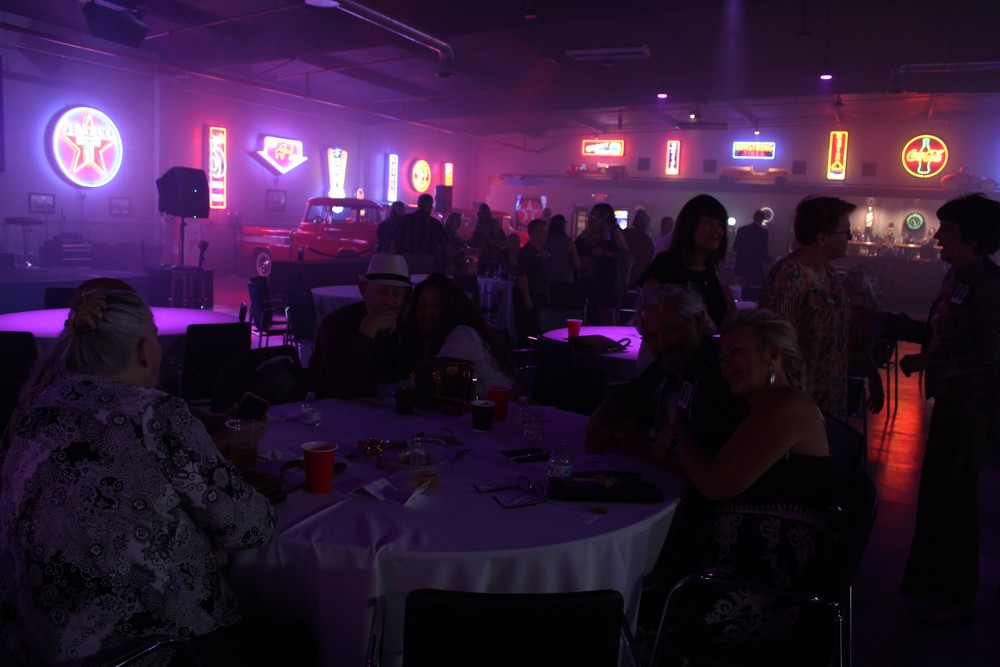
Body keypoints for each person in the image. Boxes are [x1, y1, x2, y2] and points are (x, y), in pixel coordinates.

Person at [0, 285, 303, 664]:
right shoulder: (153, 415)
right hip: (147, 650)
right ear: (145, 349)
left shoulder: (37, 407)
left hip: (32, 646)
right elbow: (250, 528)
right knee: (298, 639)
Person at [664, 308, 833, 645]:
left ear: (772, 354)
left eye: (736, 351)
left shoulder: (787, 407)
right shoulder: (761, 411)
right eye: (722, 356)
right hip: (740, 569)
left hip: (770, 589)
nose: (725, 364)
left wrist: (679, 434)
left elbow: (714, 484)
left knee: (636, 602)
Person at [881, 194, 1000, 627]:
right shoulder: (957, 276)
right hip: (951, 403)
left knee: (954, 498)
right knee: (939, 494)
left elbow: (990, 354)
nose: (937, 238)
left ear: (975, 237)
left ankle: (954, 596)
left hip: (972, 408)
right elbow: (940, 333)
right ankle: (932, 587)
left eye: (947, 230)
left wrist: (930, 363)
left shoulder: (989, 284)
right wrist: (889, 321)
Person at [759, 195, 883, 419]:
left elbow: (844, 332)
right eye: (845, 232)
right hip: (798, 400)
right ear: (822, 237)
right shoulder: (789, 276)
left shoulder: (831, 275)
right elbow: (777, 344)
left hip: (830, 393)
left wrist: (871, 372)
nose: (850, 238)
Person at [308, 253, 419, 398]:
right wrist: (367, 332)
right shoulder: (335, 324)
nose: (388, 299)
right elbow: (339, 387)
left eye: (397, 293)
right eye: (381, 291)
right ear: (363, 289)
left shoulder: (406, 326)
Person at [638, 194, 735, 331]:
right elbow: (645, 317)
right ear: (689, 226)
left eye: (720, 224)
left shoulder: (710, 270)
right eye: (708, 222)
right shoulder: (666, 264)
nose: (716, 230)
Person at [409, 273, 516, 390]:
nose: (426, 312)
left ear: (451, 307)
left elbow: (428, 384)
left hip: (496, 401)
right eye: (421, 305)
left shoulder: (463, 336)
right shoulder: (439, 336)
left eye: (435, 305)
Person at [588, 202, 632, 325]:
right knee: (603, 312)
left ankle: (612, 336)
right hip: (604, 278)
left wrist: (604, 253)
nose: (593, 218)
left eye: (596, 215)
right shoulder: (602, 232)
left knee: (609, 312)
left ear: (605, 215)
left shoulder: (614, 231)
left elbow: (626, 255)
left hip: (613, 279)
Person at [391, 193, 454, 274]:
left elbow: (395, 241)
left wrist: (394, 260)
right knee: (425, 281)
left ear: (418, 205)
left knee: (408, 280)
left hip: (408, 259)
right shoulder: (434, 223)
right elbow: (446, 244)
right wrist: (452, 265)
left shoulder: (406, 219)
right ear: (430, 206)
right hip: (427, 260)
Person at [513, 218, 552, 342]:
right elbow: (522, 276)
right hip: (531, 295)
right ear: (534, 233)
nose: (546, 235)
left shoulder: (542, 252)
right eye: (543, 232)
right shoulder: (526, 252)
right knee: (528, 329)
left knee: (538, 328)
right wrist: (527, 298)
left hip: (540, 294)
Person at [732, 208, 772, 289]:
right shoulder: (763, 232)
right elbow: (763, 251)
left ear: (753, 218)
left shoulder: (742, 230)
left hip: (742, 265)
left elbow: (735, 247)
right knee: (754, 289)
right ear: (762, 220)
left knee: (740, 289)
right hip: (755, 266)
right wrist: (769, 261)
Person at [622, 208, 656, 289]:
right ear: (646, 224)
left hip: (622, 271)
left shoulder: (625, 233)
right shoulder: (645, 239)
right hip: (637, 274)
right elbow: (648, 259)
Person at [544, 213, 580, 285]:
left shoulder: (545, 240)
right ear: (563, 225)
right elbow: (576, 263)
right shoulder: (568, 242)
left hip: (546, 279)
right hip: (565, 279)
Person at [470, 203, 506, 276]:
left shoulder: (494, 224)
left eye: (484, 213)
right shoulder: (479, 225)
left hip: (493, 256)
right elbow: (474, 240)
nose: (483, 216)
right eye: (481, 213)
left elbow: (502, 240)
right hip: (482, 257)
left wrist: (494, 242)